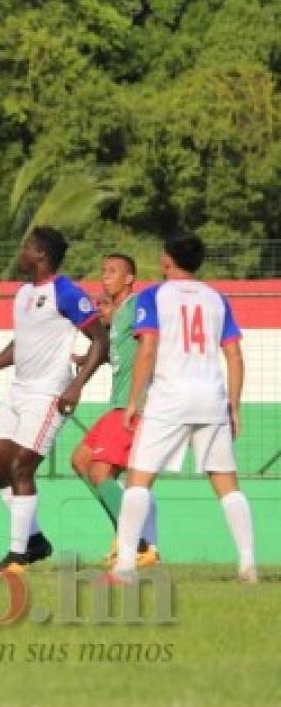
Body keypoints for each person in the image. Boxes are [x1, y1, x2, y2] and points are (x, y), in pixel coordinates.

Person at [109, 232, 256, 584]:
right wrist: (233, 406)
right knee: (226, 484)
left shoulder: (153, 296)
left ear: (166, 260)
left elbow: (147, 347)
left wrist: (133, 400)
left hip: (170, 398)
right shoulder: (217, 299)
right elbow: (234, 354)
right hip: (211, 398)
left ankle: (125, 566)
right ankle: (248, 564)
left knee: (139, 478)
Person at [0, 226, 108, 575]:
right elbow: (21, 344)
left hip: (48, 394)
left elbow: (100, 340)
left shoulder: (66, 292)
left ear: (41, 254)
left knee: (22, 467)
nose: (21, 253)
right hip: (18, 389)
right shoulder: (22, 294)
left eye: (26, 247)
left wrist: (75, 387)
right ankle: (34, 540)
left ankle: (17, 556)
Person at [69, 255, 159, 567]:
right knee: (80, 459)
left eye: (112, 272)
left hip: (131, 406)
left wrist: (142, 399)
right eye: (103, 271)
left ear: (130, 278)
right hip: (117, 405)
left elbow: (151, 347)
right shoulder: (119, 315)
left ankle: (140, 544)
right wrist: (92, 359)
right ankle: (125, 539)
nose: (105, 277)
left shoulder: (136, 306)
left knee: (99, 471)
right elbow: (124, 354)